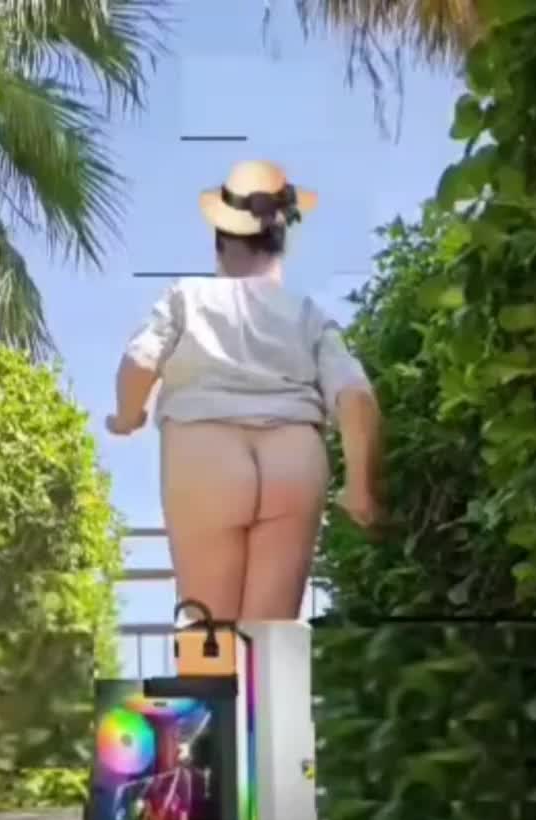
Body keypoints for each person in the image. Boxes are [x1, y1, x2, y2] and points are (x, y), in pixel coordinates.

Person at [106, 159, 382, 622]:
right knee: (270, 639)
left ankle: (213, 672)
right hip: (294, 461)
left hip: (204, 458)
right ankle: (270, 674)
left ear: (220, 241)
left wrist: (127, 415)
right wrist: (360, 489)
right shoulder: (308, 314)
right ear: (282, 241)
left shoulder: (186, 297)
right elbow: (356, 396)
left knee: (209, 631)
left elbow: (139, 362)